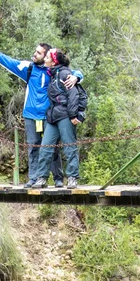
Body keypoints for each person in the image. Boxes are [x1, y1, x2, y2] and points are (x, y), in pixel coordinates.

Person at [0, 39, 83, 187]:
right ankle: (34, 178)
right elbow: (8, 62)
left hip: (49, 115)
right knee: (33, 147)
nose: (35, 54)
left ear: (48, 57)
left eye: (39, 53)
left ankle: (58, 178)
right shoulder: (28, 68)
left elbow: (73, 73)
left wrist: (77, 77)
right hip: (30, 114)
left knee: (53, 149)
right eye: (35, 51)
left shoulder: (53, 71)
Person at [33, 49, 82, 189]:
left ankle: (72, 178)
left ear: (54, 61)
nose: (45, 58)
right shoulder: (53, 73)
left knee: (69, 147)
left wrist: (73, 115)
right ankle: (41, 178)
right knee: (45, 147)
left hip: (66, 115)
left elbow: (74, 95)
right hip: (53, 116)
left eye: (47, 56)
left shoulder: (64, 73)